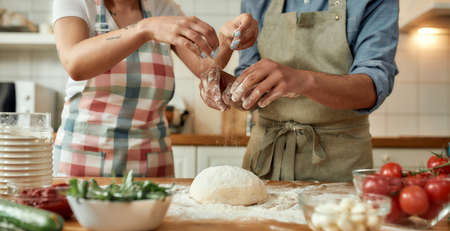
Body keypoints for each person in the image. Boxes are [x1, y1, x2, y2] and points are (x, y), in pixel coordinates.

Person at [51, 0, 257, 177]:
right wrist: (145, 29)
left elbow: (206, 67)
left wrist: (228, 40)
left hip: (152, 163)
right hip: (83, 162)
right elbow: (74, 62)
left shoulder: (161, 7)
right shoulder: (79, 3)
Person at [201, 0, 399, 182]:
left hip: (339, 163)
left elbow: (371, 89)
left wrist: (303, 81)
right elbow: (248, 92)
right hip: (265, 160)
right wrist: (220, 74)